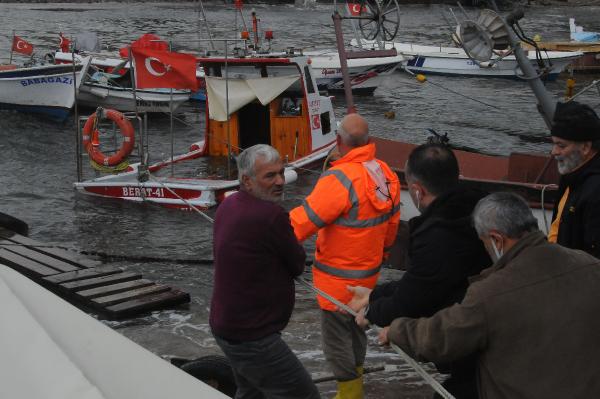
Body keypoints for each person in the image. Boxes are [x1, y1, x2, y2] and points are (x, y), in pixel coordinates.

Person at [380, 192, 600, 399]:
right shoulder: (590, 265)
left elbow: (442, 337)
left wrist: (397, 331)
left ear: (497, 239)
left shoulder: (492, 291)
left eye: (484, 242)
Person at [347, 143, 491, 399]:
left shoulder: (439, 233)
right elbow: (426, 280)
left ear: (417, 190)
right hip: (492, 327)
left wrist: (371, 312)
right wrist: (374, 294)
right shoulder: (478, 208)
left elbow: (414, 298)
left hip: (473, 343)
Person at [290, 113, 401, 399]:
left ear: (338, 141)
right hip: (368, 279)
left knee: (337, 343)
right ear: (369, 142)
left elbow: (302, 223)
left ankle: (349, 394)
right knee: (357, 331)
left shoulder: (339, 179)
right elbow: (392, 222)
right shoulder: (385, 173)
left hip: (336, 283)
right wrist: (383, 252)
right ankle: (355, 386)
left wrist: (266, 235)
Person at [209, 144, 320, 399]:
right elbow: (296, 263)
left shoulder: (228, 204)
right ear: (247, 181)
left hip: (226, 325)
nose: (280, 181)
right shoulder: (271, 215)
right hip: (252, 335)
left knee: (251, 392)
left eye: (281, 173)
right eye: (270, 176)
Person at [549, 100, 600, 257]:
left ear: (585, 147)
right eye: (554, 144)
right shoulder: (572, 176)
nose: (554, 152)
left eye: (561, 146)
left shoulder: (595, 191)